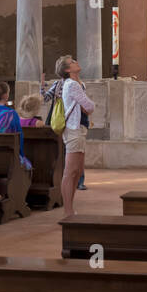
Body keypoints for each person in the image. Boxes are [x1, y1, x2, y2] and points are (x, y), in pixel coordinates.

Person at [54, 56, 95, 219]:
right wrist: (89, 107)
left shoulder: (79, 84)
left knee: (77, 171)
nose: (76, 62)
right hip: (73, 130)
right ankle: (68, 211)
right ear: (67, 70)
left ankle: (70, 207)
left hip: (80, 129)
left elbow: (87, 107)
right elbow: (90, 106)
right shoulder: (71, 85)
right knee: (70, 172)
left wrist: (88, 107)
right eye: (72, 62)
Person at [0, 82, 31, 170]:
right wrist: (22, 155)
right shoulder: (11, 114)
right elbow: (19, 137)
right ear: (5, 96)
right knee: (28, 165)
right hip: (8, 159)